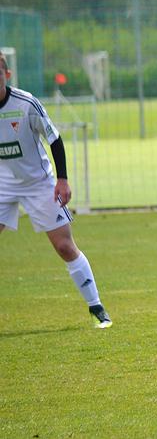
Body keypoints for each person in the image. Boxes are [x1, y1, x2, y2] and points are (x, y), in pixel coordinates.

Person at [0, 50, 112, 329]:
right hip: (3, 183)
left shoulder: (26, 104)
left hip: (39, 183)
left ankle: (97, 307)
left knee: (64, 246)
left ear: (7, 74)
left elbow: (54, 139)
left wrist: (62, 179)